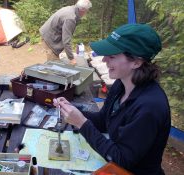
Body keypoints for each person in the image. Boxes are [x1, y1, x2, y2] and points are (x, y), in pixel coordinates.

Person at [54, 24, 171, 174]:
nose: (104, 60)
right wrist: (74, 111)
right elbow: (104, 121)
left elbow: (122, 159)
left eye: (112, 56)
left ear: (136, 62)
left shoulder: (149, 106)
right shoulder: (120, 84)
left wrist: (81, 123)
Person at [39, 0, 92, 65]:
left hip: (50, 33)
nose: (86, 13)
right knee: (54, 65)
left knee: (55, 62)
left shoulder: (71, 8)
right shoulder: (70, 18)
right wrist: (71, 58)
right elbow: (66, 41)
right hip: (49, 37)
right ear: (83, 10)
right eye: (87, 11)